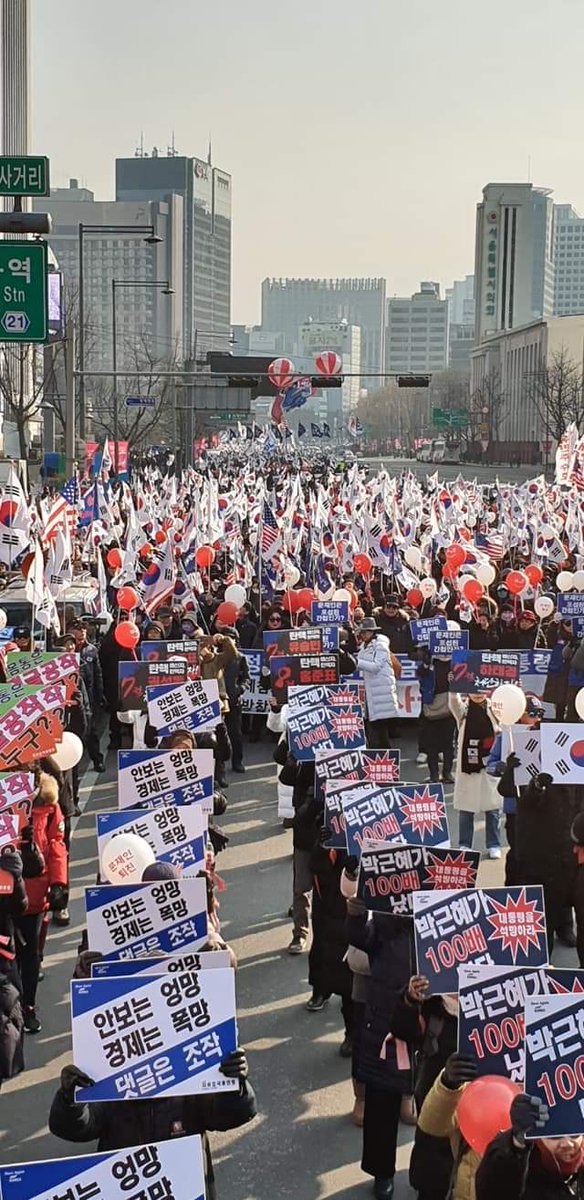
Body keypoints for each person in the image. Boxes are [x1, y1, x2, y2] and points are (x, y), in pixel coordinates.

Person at [49, 1050, 257, 1200]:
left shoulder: (190, 1084)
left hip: (185, 1189)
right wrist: (70, 1100)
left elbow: (229, 1116)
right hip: (126, 1189)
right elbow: (76, 1128)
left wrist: (234, 1086)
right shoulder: (109, 1089)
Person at [346, 891, 416, 1200]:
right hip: (386, 1018)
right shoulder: (386, 919)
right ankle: (382, 1171)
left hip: (433, 1023)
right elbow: (360, 937)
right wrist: (356, 911)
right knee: (382, 1101)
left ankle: (434, 1175)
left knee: (436, 1102)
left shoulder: (447, 916)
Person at [15, 771, 69, 1033]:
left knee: (30, 955)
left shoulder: (49, 801)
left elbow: (57, 843)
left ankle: (28, 1006)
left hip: (35, 894)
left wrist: (59, 883)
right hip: (5, 891)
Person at [475, 1092, 583, 1199]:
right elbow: (492, 1193)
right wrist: (515, 1146)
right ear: (538, 1136)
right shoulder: (522, 1169)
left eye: (574, 1133)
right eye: (554, 1134)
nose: (566, 1143)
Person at [449, 693, 500, 856]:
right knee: (466, 807)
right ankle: (465, 844)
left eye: (481, 690)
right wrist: (454, 686)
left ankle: (494, 844)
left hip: (490, 762)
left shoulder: (495, 707)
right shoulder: (463, 710)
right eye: (474, 690)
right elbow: (453, 702)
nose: (478, 693)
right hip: (468, 765)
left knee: (492, 806)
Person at [356, 617, 401, 749]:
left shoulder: (380, 645)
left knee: (380, 730)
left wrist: (356, 663)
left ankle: (385, 762)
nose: (362, 635)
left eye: (365, 632)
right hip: (373, 691)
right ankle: (380, 760)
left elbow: (376, 667)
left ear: (372, 632)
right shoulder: (364, 646)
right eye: (361, 632)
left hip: (381, 691)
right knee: (375, 729)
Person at [67, 620, 106, 771]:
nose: (82, 631)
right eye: (78, 628)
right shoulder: (63, 650)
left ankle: (97, 760)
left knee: (91, 730)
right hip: (68, 697)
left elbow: (98, 675)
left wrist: (100, 695)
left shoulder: (91, 650)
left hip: (88, 696)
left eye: (84, 628)